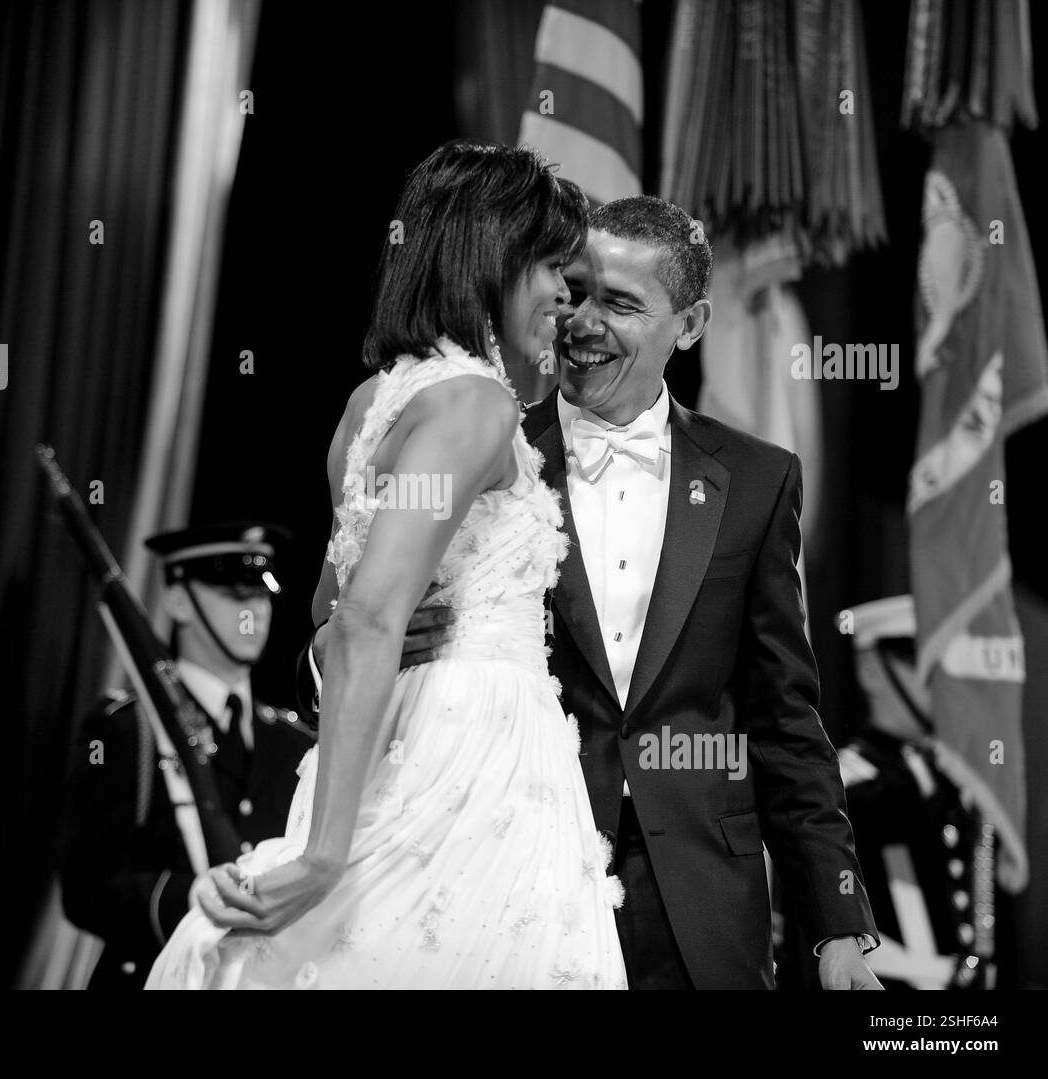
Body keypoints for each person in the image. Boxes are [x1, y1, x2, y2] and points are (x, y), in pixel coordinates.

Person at [365, 196, 881, 988]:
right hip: (518, 875)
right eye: (576, 290)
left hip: (704, 907)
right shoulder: (485, 445)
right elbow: (356, 625)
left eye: (622, 303)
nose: (583, 321)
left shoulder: (757, 479)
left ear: (692, 322)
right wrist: (376, 648)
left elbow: (785, 722)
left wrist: (839, 926)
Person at [146, 142, 627, 990]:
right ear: (488, 254)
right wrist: (326, 853)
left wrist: (371, 630)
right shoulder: (476, 402)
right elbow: (364, 619)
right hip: (472, 766)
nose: (564, 294)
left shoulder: (369, 405)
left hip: (394, 741)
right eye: (551, 265)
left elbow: (328, 625)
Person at [60, 521, 313, 990]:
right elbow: (85, 889)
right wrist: (189, 897)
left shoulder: (293, 741)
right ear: (179, 602)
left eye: (262, 594)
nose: (254, 611)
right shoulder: (128, 729)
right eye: (234, 595)